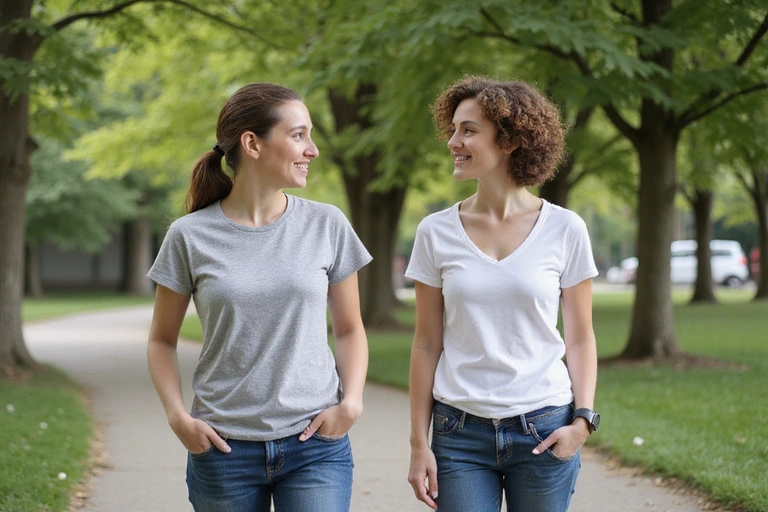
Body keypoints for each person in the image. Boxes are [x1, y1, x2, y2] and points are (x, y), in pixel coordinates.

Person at [146, 83, 371, 512]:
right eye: (299, 135)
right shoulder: (189, 236)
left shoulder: (327, 224)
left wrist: (352, 402)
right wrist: (178, 417)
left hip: (315, 445)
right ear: (252, 143)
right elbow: (161, 340)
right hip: (223, 449)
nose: (313, 150)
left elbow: (349, 328)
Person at [406, 76, 599, 512]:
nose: (453, 141)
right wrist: (420, 444)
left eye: (468, 130)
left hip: (545, 428)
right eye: (454, 129)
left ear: (510, 140)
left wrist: (583, 422)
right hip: (459, 433)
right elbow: (426, 343)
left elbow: (581, 337)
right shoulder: (435, 232)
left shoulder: (565, 229)